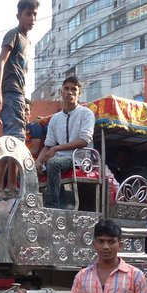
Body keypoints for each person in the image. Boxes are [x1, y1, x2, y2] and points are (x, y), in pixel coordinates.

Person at [0, 0, 38, 201]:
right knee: (14, 142)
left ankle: (9, 186)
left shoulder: (28, 42)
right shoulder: (14, 35)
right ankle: (1, 186)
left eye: (34, 14)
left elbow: (21, 73)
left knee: (16, 142)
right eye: (28, 14)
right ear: (19, 16)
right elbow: (1, 62)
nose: (32, 18)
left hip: (19, 96)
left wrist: (25, 101)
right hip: (9, 94)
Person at [36, 76, 95, 208]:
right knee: (31, 170)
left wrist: (56, 149)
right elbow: (48, 145)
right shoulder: (55, 118)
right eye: (66, 89)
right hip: (60, 158)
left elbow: (84, 140)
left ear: (79, 93)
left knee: (53, 163)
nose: (70, 92)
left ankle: (52, 206)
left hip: (79, 158)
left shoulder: (87, 113)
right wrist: (38, 161)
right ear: (61, 92)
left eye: (74, 89)